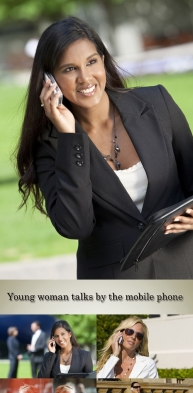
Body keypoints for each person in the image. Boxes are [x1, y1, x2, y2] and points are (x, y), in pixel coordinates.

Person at [16, 16, 193, 280]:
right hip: (113, 283)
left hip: (183, 268)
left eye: (91, 62)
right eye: (69, 69)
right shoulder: (50, 145)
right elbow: (76, 226)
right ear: (48, 79)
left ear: (103, 60)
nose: (85, 78)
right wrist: (69, 137)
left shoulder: (157, 103)